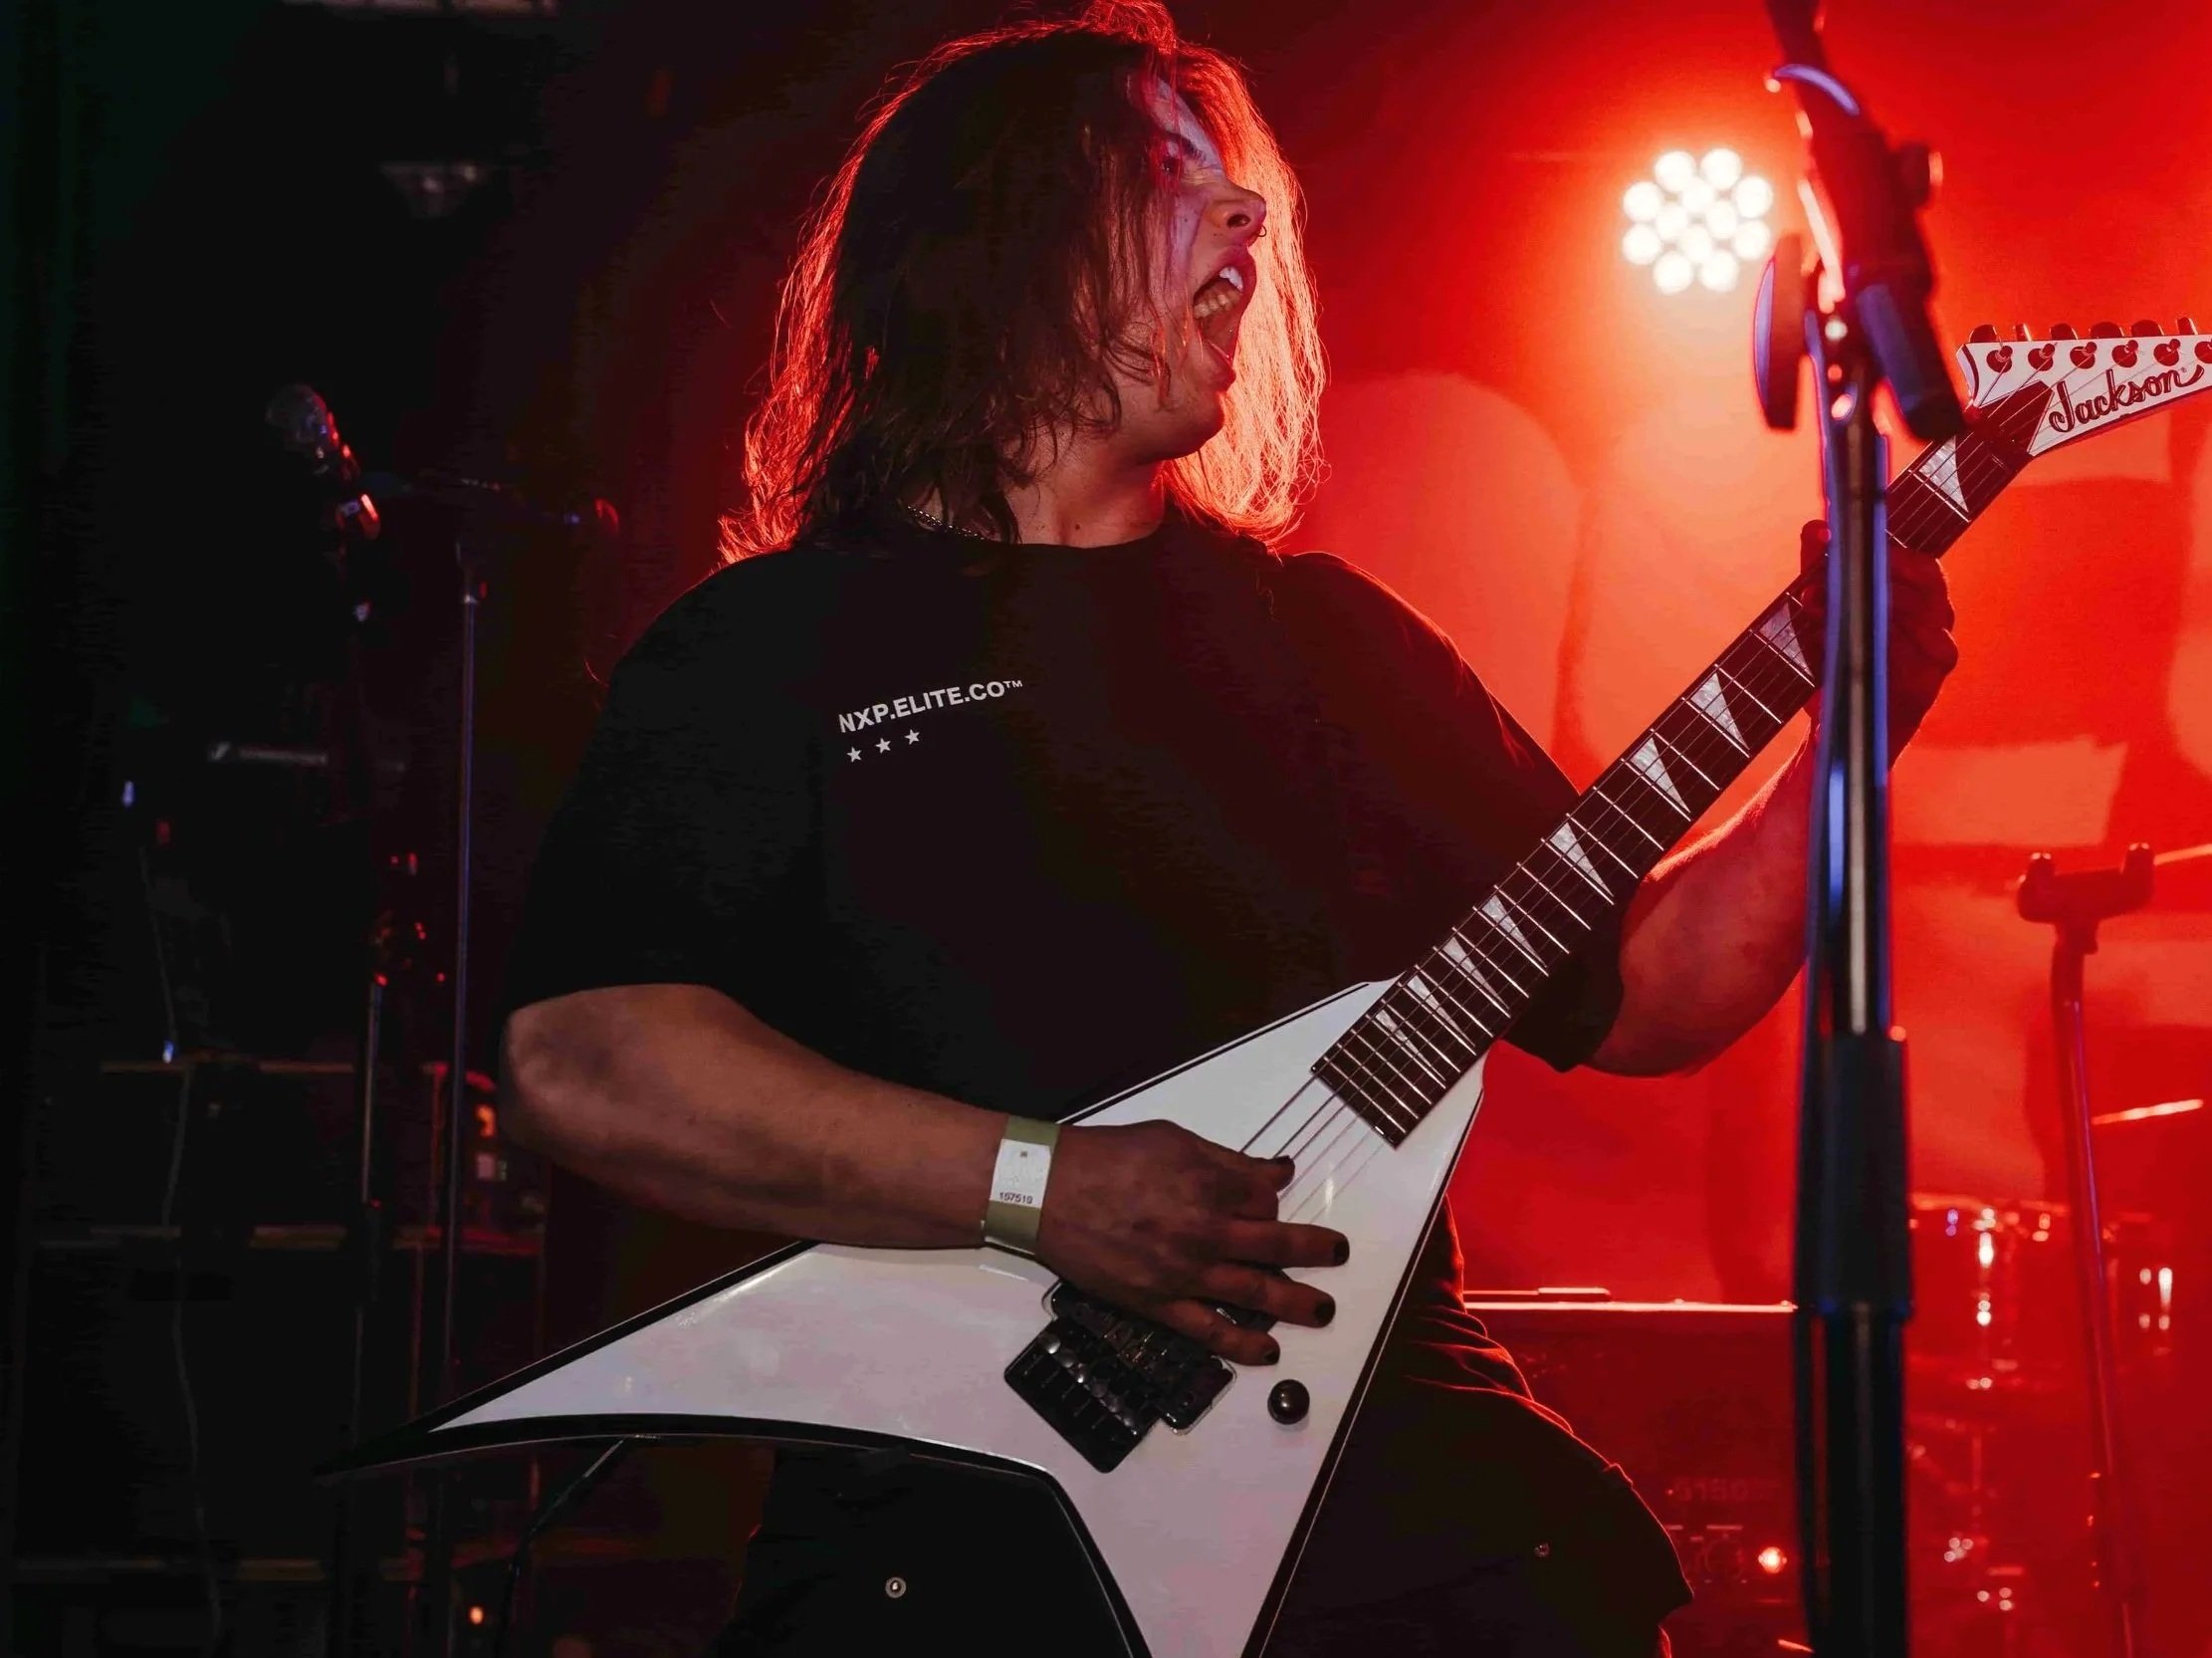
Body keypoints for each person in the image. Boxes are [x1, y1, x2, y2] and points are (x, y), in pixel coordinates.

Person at [500, 5, 1959, 1653]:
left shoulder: (1318, 641)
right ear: (1002, 238)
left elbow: (1645, 991)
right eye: (1167, 171)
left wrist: (1845, 739)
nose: (1251, 214)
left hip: (1407, 1517)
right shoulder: (771, 649)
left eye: (1235, 180)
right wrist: (1044, 1188)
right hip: (969, 1540)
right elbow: (585, 1059)